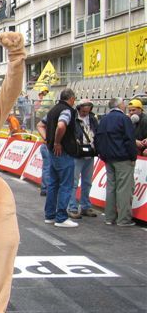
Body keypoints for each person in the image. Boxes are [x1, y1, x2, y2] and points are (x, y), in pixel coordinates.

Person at [38, 88, 79, 228]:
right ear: (72, 99)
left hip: (52, 152)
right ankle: (61, 217)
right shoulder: (67, 111)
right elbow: (61, 126)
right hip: (64, 152)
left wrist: (47, 139)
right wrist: (56, 142)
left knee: (53, 184)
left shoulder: (52, 110)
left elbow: (40, 125)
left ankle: (50, 215)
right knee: (66, 185)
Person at [94, 97, 138, 227]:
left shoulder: (104, 119)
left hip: (108, 158)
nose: (125, 106)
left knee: (111, 188)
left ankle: (109, 217)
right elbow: (129, 140)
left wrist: (102, 155)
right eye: (123, 103)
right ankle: (123, 219)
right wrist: (133, 156)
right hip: (123, 157)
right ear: (119, 105)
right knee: (124, 189)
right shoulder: (124, 119)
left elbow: (97, 139)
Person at [67, 99, 99, 219]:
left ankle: (85, 206)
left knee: (87, 182)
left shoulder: (92, 119)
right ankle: (73, 207)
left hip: (90, 152)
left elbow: (97, 132)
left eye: (87, 110)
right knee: (74, 182)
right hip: (77, 152)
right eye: (83, 111)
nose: (85, 113)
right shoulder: (73, 118)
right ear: (79, 108)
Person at [35, 88, 51, 196]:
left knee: (46, 167)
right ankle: (46, 188)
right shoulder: (49, 115)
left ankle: (45, 188)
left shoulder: (47, 115)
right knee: (48, 167)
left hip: (45, 144)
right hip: (47, 145)